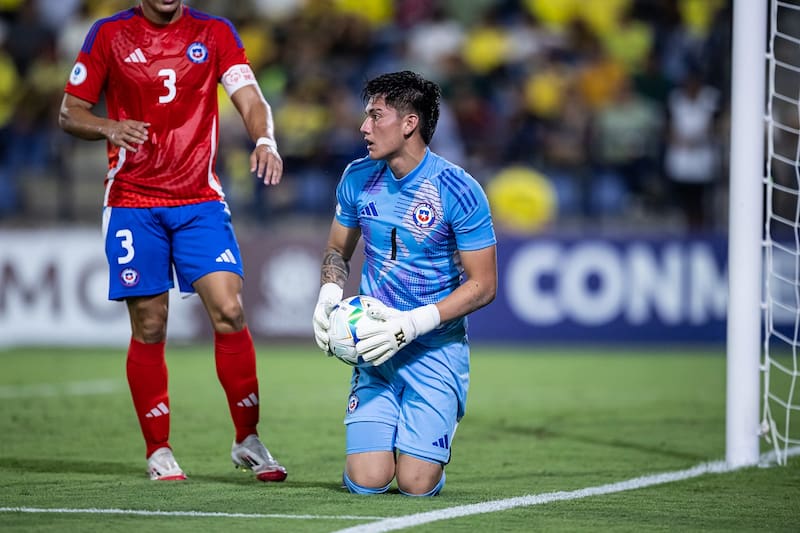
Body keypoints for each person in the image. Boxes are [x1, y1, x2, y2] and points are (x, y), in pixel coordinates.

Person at [58, 0, 287, 482]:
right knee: (150, 323)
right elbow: (70, 112)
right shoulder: (108, 35)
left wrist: (264, 139)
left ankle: (248, 438)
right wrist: (110, 127)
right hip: (132, 201)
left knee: (229, 310)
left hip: (199, 200)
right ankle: (158, 450)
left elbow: (250, 96)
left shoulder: (215, 32)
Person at [312, 71, 497, 496]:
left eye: (376, 116)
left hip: (435, 348)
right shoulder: (357, 177)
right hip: (375, 346)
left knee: (415, 485)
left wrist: (411, 325)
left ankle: (428, 440)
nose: (364, 127)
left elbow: (484, 285)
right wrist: (328, 296)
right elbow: (336, 252)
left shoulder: (459, 190)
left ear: (409, 123)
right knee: (368, 479)